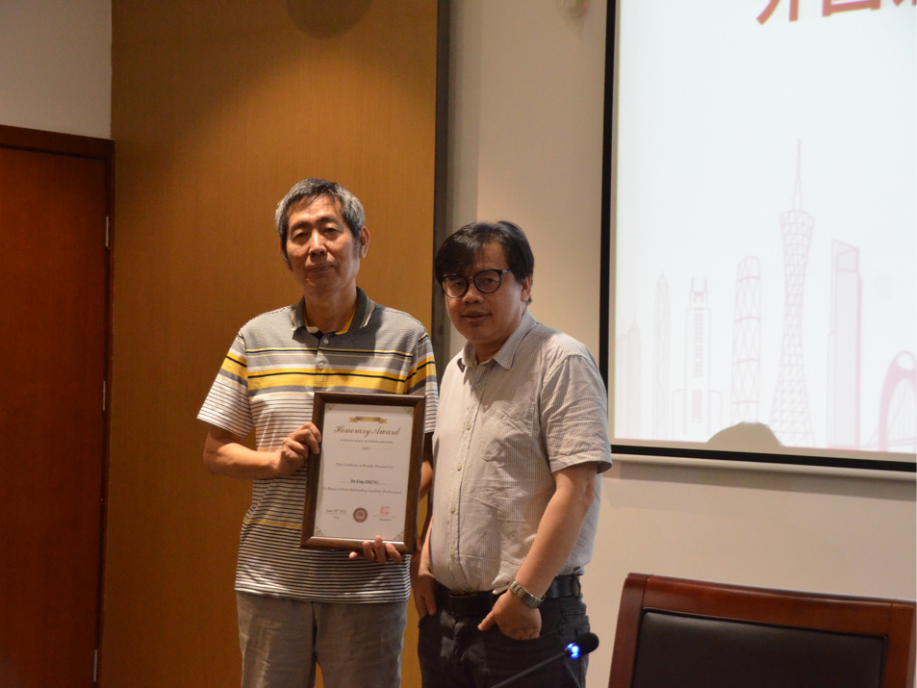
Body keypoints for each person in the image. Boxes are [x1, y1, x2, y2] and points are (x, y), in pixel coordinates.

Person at [198, 178, 438, 688]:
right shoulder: (255, 337)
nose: (315, 247)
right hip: (271, 578)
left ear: (361, 241)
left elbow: (429, 459)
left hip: (368, 582)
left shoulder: (407, 338)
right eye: (299, 234)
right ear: (285, 253)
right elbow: (216, 452)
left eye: (329, 230)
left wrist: (390, 516)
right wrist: (275, 461)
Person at [414, 220, 611, 687]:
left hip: (527, 620)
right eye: (456, 283)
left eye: (487, 280)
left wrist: (525, 594)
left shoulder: (562, 360)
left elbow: (578, 491)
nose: (470, 297)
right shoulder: (455, 371)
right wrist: (424, 557)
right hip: (445, 621)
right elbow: (451, 479)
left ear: (525, 285)